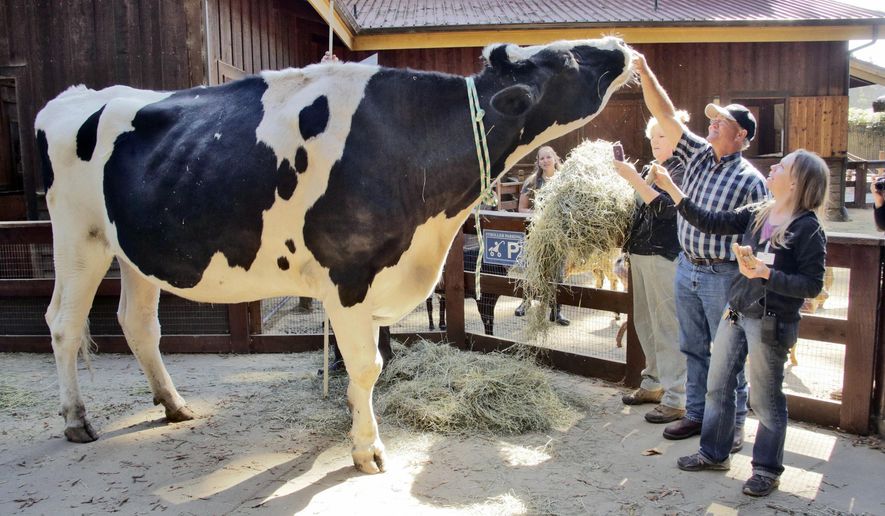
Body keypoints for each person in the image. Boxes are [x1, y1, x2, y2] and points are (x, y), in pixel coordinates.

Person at [654, 149, 828, 497]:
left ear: (795, 181)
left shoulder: (808, 228)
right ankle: (713, 453)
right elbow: (711, 221)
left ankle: (765, 469)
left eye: (782, 165)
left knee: (766, 400)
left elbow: (812, 284)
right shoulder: (760, 212)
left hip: (771, 321)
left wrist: (766, 273)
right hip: (736, 311)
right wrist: (673, 189)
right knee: (718, 385)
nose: (773, 167)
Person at [633, 52, 768, 447]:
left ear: (741, 134)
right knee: (692, 346)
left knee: (727, 353)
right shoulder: (695, 154)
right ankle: (695, 414)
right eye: (712, 118)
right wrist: (644, 71)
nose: (713, 122)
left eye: (722, 121)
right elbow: (667, 113)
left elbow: (755, 237)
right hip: (686, 266)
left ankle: (735, 423)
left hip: (722, 273)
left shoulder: (751, 180)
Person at [612, 112, 690, 424]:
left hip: (666, 255)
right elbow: (636, 210)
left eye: (663, 136)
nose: (656, 142)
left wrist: (632, 179)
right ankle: (654, 383)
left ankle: (677, 397)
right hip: (640, 253)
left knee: (667, 324)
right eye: (653, 137)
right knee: (645, 321)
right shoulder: (648, 169)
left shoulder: (683, 171)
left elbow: (666, 209)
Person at [515, 146, 570, 326]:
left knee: (557, 273)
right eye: (542, 158)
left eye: (548, 157)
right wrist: (539, 215)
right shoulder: (531, 182)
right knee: (534, 269)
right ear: (538, 162)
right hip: (537, 234)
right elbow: (521, 208)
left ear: (555, 158)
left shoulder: (565, 180)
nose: (545, 160)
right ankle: (526, 302)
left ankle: (556, 311)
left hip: (558, 235)